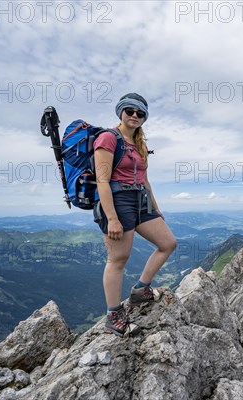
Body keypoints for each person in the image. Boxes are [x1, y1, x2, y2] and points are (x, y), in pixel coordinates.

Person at [93, 92, 177, 336]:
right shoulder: (108, 138)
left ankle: (140, 290)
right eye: (130, 110)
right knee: (118, 260)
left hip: (141, 200)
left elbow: (145, 180)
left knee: (168, 243)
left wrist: (156, 207)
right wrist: (112, 218)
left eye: (140, 113)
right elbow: (102, 181)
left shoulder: (140, 143)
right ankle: (113, 315)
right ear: (121, 111)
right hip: (118, 202)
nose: (135, 116)